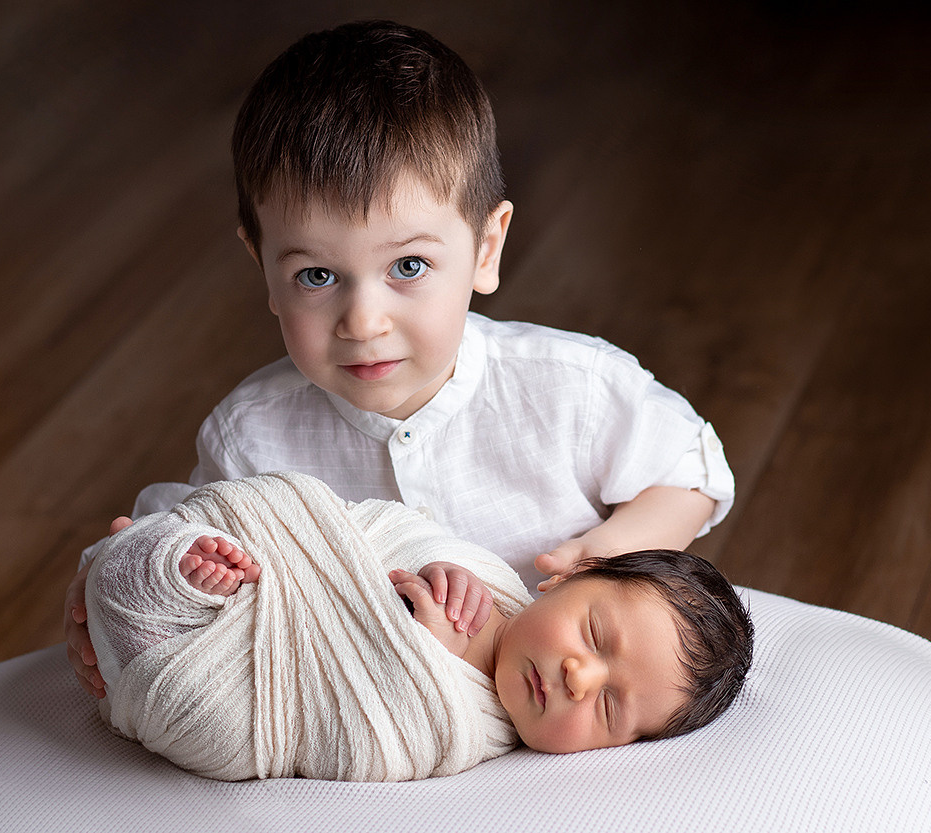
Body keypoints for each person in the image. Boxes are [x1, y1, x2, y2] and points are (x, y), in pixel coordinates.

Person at [66, 19, 736, 700]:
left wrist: (603, 555)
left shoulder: (568, 390)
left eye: (408, 265)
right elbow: (184, 543)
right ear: (263, 267)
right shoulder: (251, 438)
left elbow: (692, 473)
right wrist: (119, 579)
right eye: (316, 276)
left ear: (485, 247)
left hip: (553, 703)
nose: (362, 321)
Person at [86, 473, 752, 780]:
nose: (579, 676)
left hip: (225, 685)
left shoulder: (469, 730)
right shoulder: (483, 571)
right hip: (265, 588)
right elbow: (380, 530)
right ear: (563, 580)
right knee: (224, 533)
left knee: (225, 733)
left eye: (609, 705)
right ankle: (172, 568)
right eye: (594, 635)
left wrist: (411, 649)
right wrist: (431, 568)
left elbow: (371, 740)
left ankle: (153, 596)